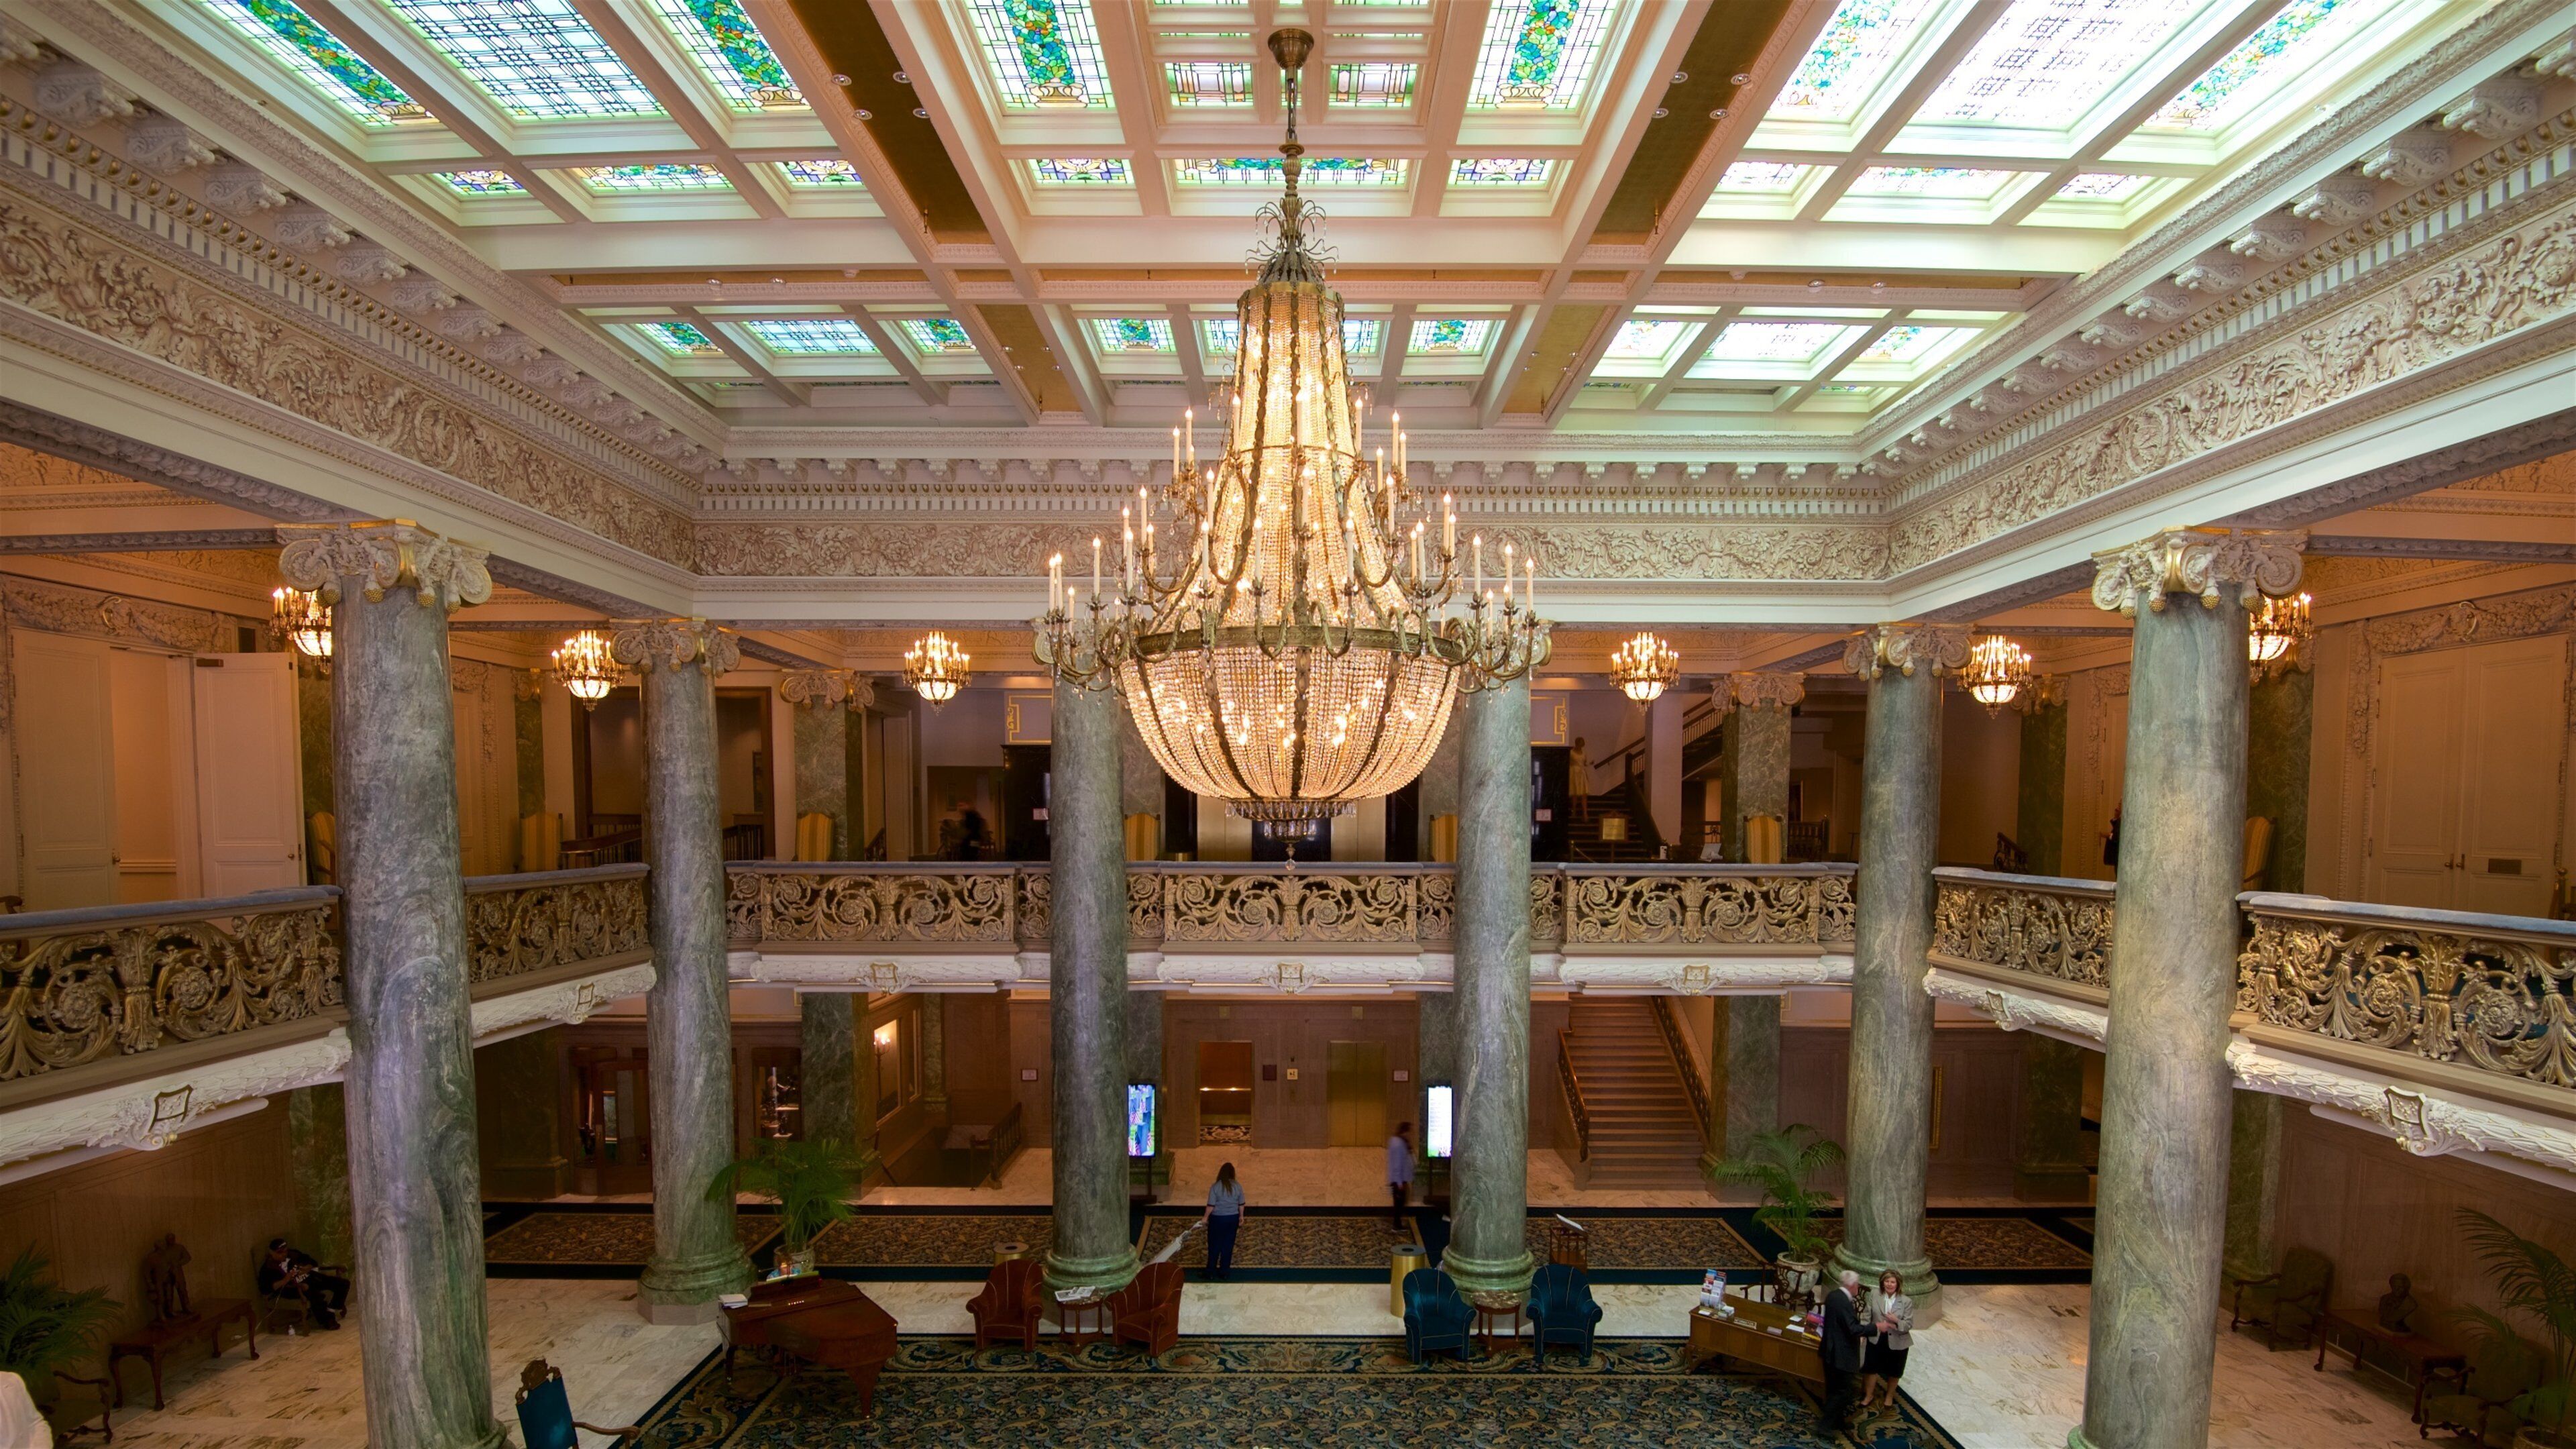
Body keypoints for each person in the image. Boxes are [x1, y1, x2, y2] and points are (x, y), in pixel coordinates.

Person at [258, 1237, 349, 1331]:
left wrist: (307, 1267)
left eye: (285, 1251)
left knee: (343, 1284)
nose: (284, 1254)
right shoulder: (268, 1268)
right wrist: (285, 1279)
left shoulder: (293, 1254)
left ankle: (331, 1309)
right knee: (313, 1292)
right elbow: (265, 1289)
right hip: (293, 1288)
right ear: (272, 1253)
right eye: (280, 1253)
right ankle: (327, 1321)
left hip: (310, 1278)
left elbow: (312, 1262)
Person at [1859, 1268, 1914, 1413]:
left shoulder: (1906, 1301)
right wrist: (1863, 1332)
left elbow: (1908, 1325)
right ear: (1882, 1283)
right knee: (1871, 1367)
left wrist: (1896, 1321)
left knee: (1894, 1370)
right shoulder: (1874, 1294)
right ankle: (1869, 1395)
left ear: (1898, 1284)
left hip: (1897, 1340)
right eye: (1887, 1281)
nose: (1889, 1284)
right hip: (1876, 1337)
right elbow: (1866, 1315)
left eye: (1892, 1282)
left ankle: (1889, 1396)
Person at [1817, 1268, 1866, 1433]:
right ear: (1852, 1285)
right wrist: (1875, 1328)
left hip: (1830, 1350)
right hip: (1840, 1354)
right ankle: (1825, 1426)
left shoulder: (1833, 1296)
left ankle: (1837, 1421)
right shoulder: (1843, 1302)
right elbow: (1852, 1328)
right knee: (1843, 1392)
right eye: (1857, 1284)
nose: (1858, 1287)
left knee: (1833, 1388)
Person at [1201, 1161, 1246, 1280]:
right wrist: (1241, 1216)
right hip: (1233, 1218)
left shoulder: (1216, 1186)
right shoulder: (1238, 1186)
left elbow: (1211, 1205)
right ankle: (1224, 1272)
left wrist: (1205, 1217)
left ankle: (1210, 1272)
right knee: (1228, 1245)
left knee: (1214, 1245)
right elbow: (1241, 1204)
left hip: (1218, 1219)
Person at [1386, 1122, 1415, 1233]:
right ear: (1405, 1131)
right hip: (1399, 1180)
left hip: (1400, 1178)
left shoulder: (1397, 1141)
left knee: (1399, 1203)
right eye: (1410, 1132)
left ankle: (1397, 1224)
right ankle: (1397, 1225)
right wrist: (1399, 1183)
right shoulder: (1399, 1144)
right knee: (1399, 1203)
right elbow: (1397, 1164)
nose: (1411, 1134)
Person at [1567, 738, 1593, 820]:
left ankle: (1585, 813)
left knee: (1584, 794)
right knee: (1574, 794)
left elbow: (1584, 763)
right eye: (1579, 744)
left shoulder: (1584, 753)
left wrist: (1589, 764)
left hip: (1582, 774)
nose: (1580, 746)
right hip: (1574, 773)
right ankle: (1574, 811)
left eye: (1582, 745)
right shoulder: (1571, 753)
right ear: (1576, 744)